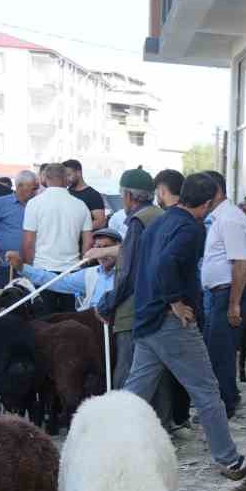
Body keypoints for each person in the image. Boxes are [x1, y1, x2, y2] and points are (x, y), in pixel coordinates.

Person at [122, 172, 242, 472]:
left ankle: (105, 447)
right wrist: (176, 301)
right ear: (209, 201)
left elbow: (143, 265)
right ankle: (229, 459)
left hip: (147, 318)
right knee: (207, 391)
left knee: (135, 393)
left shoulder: (159, 220)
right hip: (171, 322)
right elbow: (165, 265)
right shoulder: (191, 228)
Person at [102, 168, 171, 423]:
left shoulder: (137, 221)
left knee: (128, 371)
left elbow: (128, 272)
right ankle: (161, 426)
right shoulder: (162, 216)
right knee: (156, 371)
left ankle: (124, 427)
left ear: (129, 195)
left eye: (122, 195)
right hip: (159, 307)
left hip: (133, 309)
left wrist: (109, 302)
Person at [202, 179, 246, 416]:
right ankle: (225, 398)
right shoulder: (221, 217)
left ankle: (226, 403)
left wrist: (234, 304)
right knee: (217, 349)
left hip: (228, 293)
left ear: (217, 191)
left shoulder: (230, 218)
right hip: (220, 293)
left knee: (221, 351)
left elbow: (240, 262)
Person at [20, 161, 92, 275]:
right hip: (72, 270)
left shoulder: (34, 204)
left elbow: (29, 242)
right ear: (65, 178)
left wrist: (29, 271)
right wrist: (82, 265)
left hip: (41, 269)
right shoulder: (81, 205)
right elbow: (88, 243)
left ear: (45, 178)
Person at [64, 159, 107, 229]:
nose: (66, 179)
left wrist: (77, 230)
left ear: (79, 173)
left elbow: (100, 222)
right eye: (64, 176)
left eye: (69, 175)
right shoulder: (65, 193)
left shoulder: (93, 195)